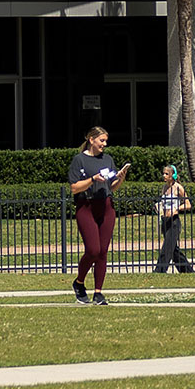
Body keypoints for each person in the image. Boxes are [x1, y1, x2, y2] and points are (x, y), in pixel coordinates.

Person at [65, 127, 128, 305]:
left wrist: (120, 178)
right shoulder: (79, 160)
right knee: (93, 250)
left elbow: (112, 186)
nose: (104, 144)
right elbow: (74, 188)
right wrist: (93, 179)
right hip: (86, 206)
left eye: (106, 141)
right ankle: (79, 283)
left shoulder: (107, 159)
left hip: (106, 206)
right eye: (101, 140)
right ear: (91, 140)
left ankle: (98, 293)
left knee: (102, 252)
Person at [152, 165, 195, 274]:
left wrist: (177, 209)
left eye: (167, 174)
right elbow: (163, 202)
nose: (164, 176)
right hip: (165, 221)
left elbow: (188, 204)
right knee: (173, 249)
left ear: (173, 175)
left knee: (167, 247)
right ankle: (187, 270)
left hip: (174, 222)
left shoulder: (178, 188)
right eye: (164, 173)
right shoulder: (164, 188)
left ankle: (160, 270)